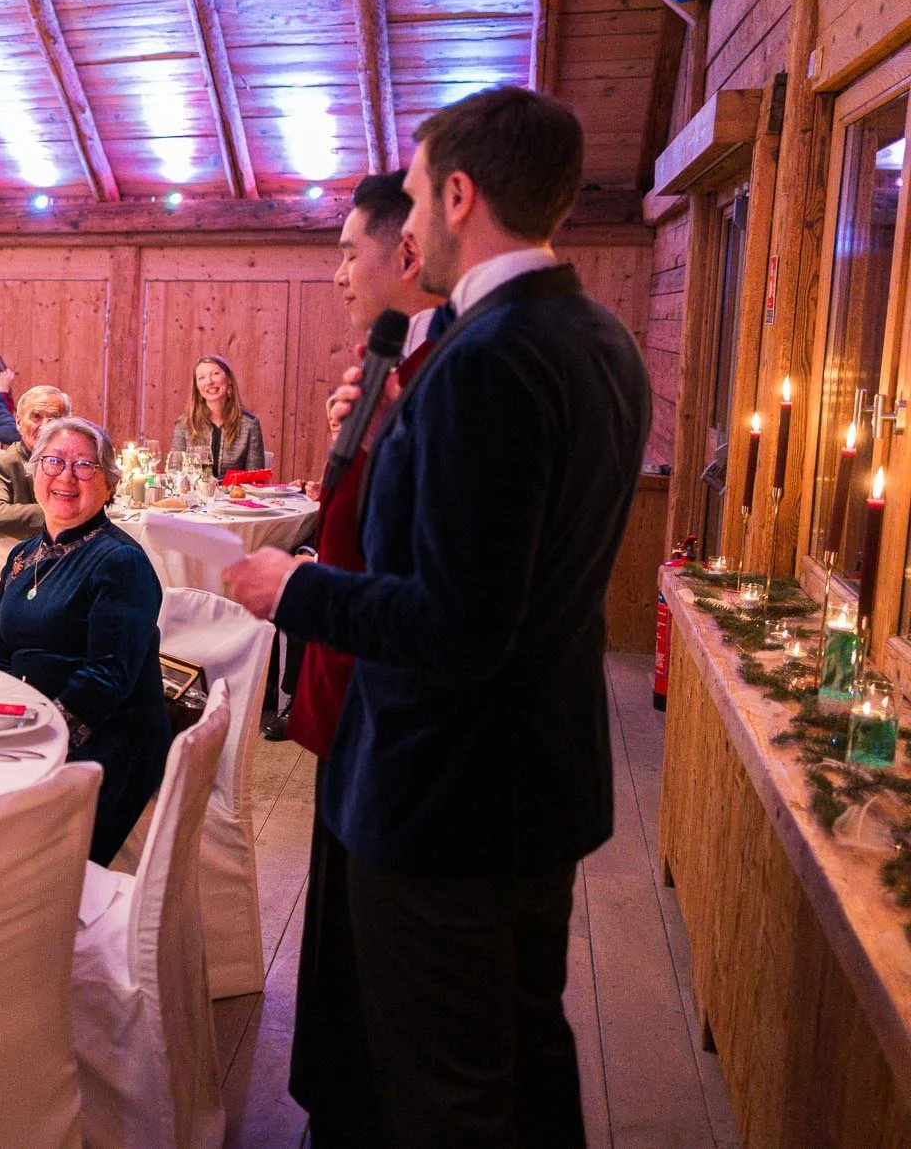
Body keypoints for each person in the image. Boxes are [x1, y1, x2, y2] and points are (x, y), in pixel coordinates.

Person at [226, 86, 649, 1149]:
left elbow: (459, 621)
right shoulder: (597, 335)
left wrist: (297, 589)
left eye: (414, 197)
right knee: (526, 1060)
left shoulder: (487, 358)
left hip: (446, 796)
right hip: (536, 780)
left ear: (459, 195)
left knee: (444, 1093)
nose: (408, 224)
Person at [280, 169, 443, 1148]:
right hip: (352, 674)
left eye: (348, 251)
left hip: (386, 690)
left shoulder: (446, 370)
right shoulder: (392, 362)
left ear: (404, 251)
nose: (337, 271)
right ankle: (333, 1103)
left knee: (376, 943)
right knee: (339, 921)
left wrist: (295, 587)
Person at [0, 417, 166, 866]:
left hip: (104, 743)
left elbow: (107, 679)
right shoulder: (23, 556)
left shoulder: (120, 561)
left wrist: (40, 743)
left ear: (109, 484)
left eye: (85, 466)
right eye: (54, 462)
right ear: (35, 472)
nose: (66, 476)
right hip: (32, 728)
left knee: (10, 851)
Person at [0, 384, 71, 541]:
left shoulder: (76, 464)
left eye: (53, 419)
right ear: (19, 422)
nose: (44, 426)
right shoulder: (1, 466)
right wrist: (65, 512)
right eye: (36, 417)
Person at [170, 354, 265, 476]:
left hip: (235, 489)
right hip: (194, 489)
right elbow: (175, 473)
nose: (209, 381)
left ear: (229, 379)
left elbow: (255, 478)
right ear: (197, 386)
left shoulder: (249, 424)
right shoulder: (185, 424)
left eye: (215, 374)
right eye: (202, 377)